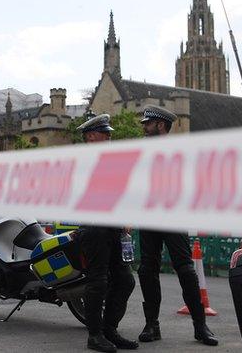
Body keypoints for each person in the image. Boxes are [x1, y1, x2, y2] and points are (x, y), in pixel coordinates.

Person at [135, 105, 217, 347]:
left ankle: (200, 325)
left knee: (185, 269)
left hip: (172, 216)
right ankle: (152, 324)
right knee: (147, 270)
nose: (144, 127)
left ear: (161, 125)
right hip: (149, 216)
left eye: (148, 124)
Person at [76, 114, 138, 352]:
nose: (110, 136)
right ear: (91, 136)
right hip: (94, 227)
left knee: (125, 280)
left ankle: (109, 330)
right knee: (98, 282)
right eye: (105, 133)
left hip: (113, 228)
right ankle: (95, 335)